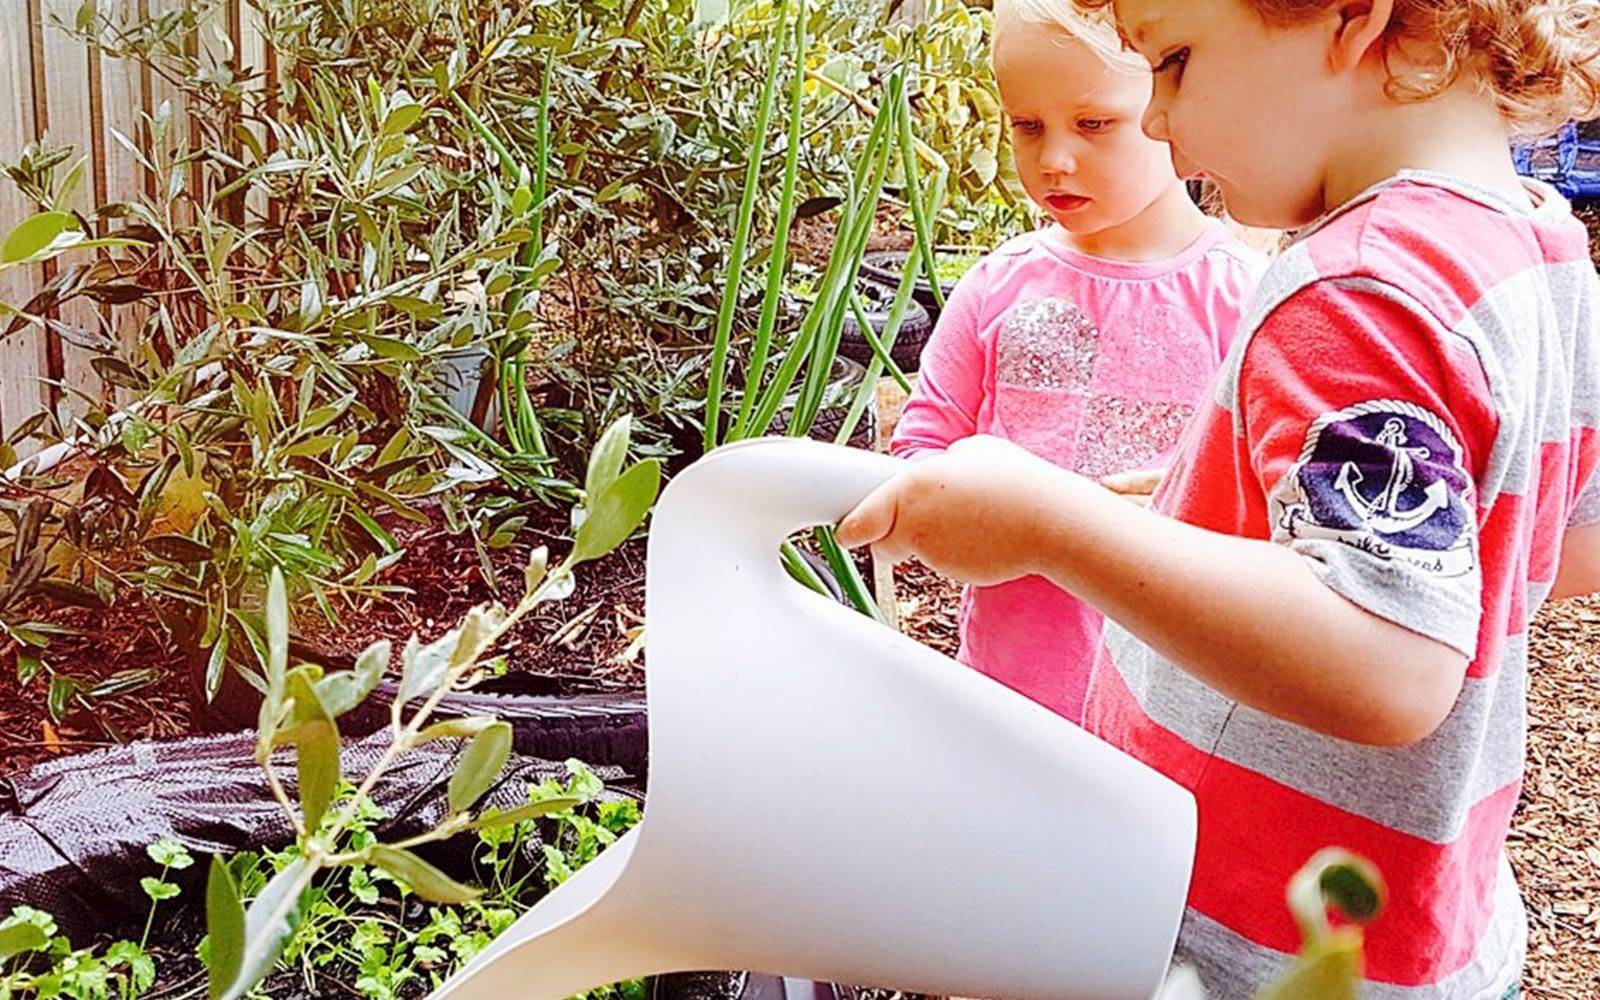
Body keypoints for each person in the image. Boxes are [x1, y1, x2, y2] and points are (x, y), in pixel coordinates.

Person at [839, 0, 1600, 995]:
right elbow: (1559, 543)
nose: (1159, 121)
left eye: (1177, 62)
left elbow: (1388, 662)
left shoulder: (1355, 288)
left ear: (1352, 19)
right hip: (1435, 926)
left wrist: (1050, 521)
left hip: (1258, 941)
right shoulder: (1536, 246)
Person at [890, 0, 1266, 721]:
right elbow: (922, 452)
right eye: (1027, 126)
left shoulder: (1242, 298)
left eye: (1094, 124)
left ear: (1170, 110)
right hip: (1010, 695)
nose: (1054, 159)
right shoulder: (996, 286)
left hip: (1179, 705)